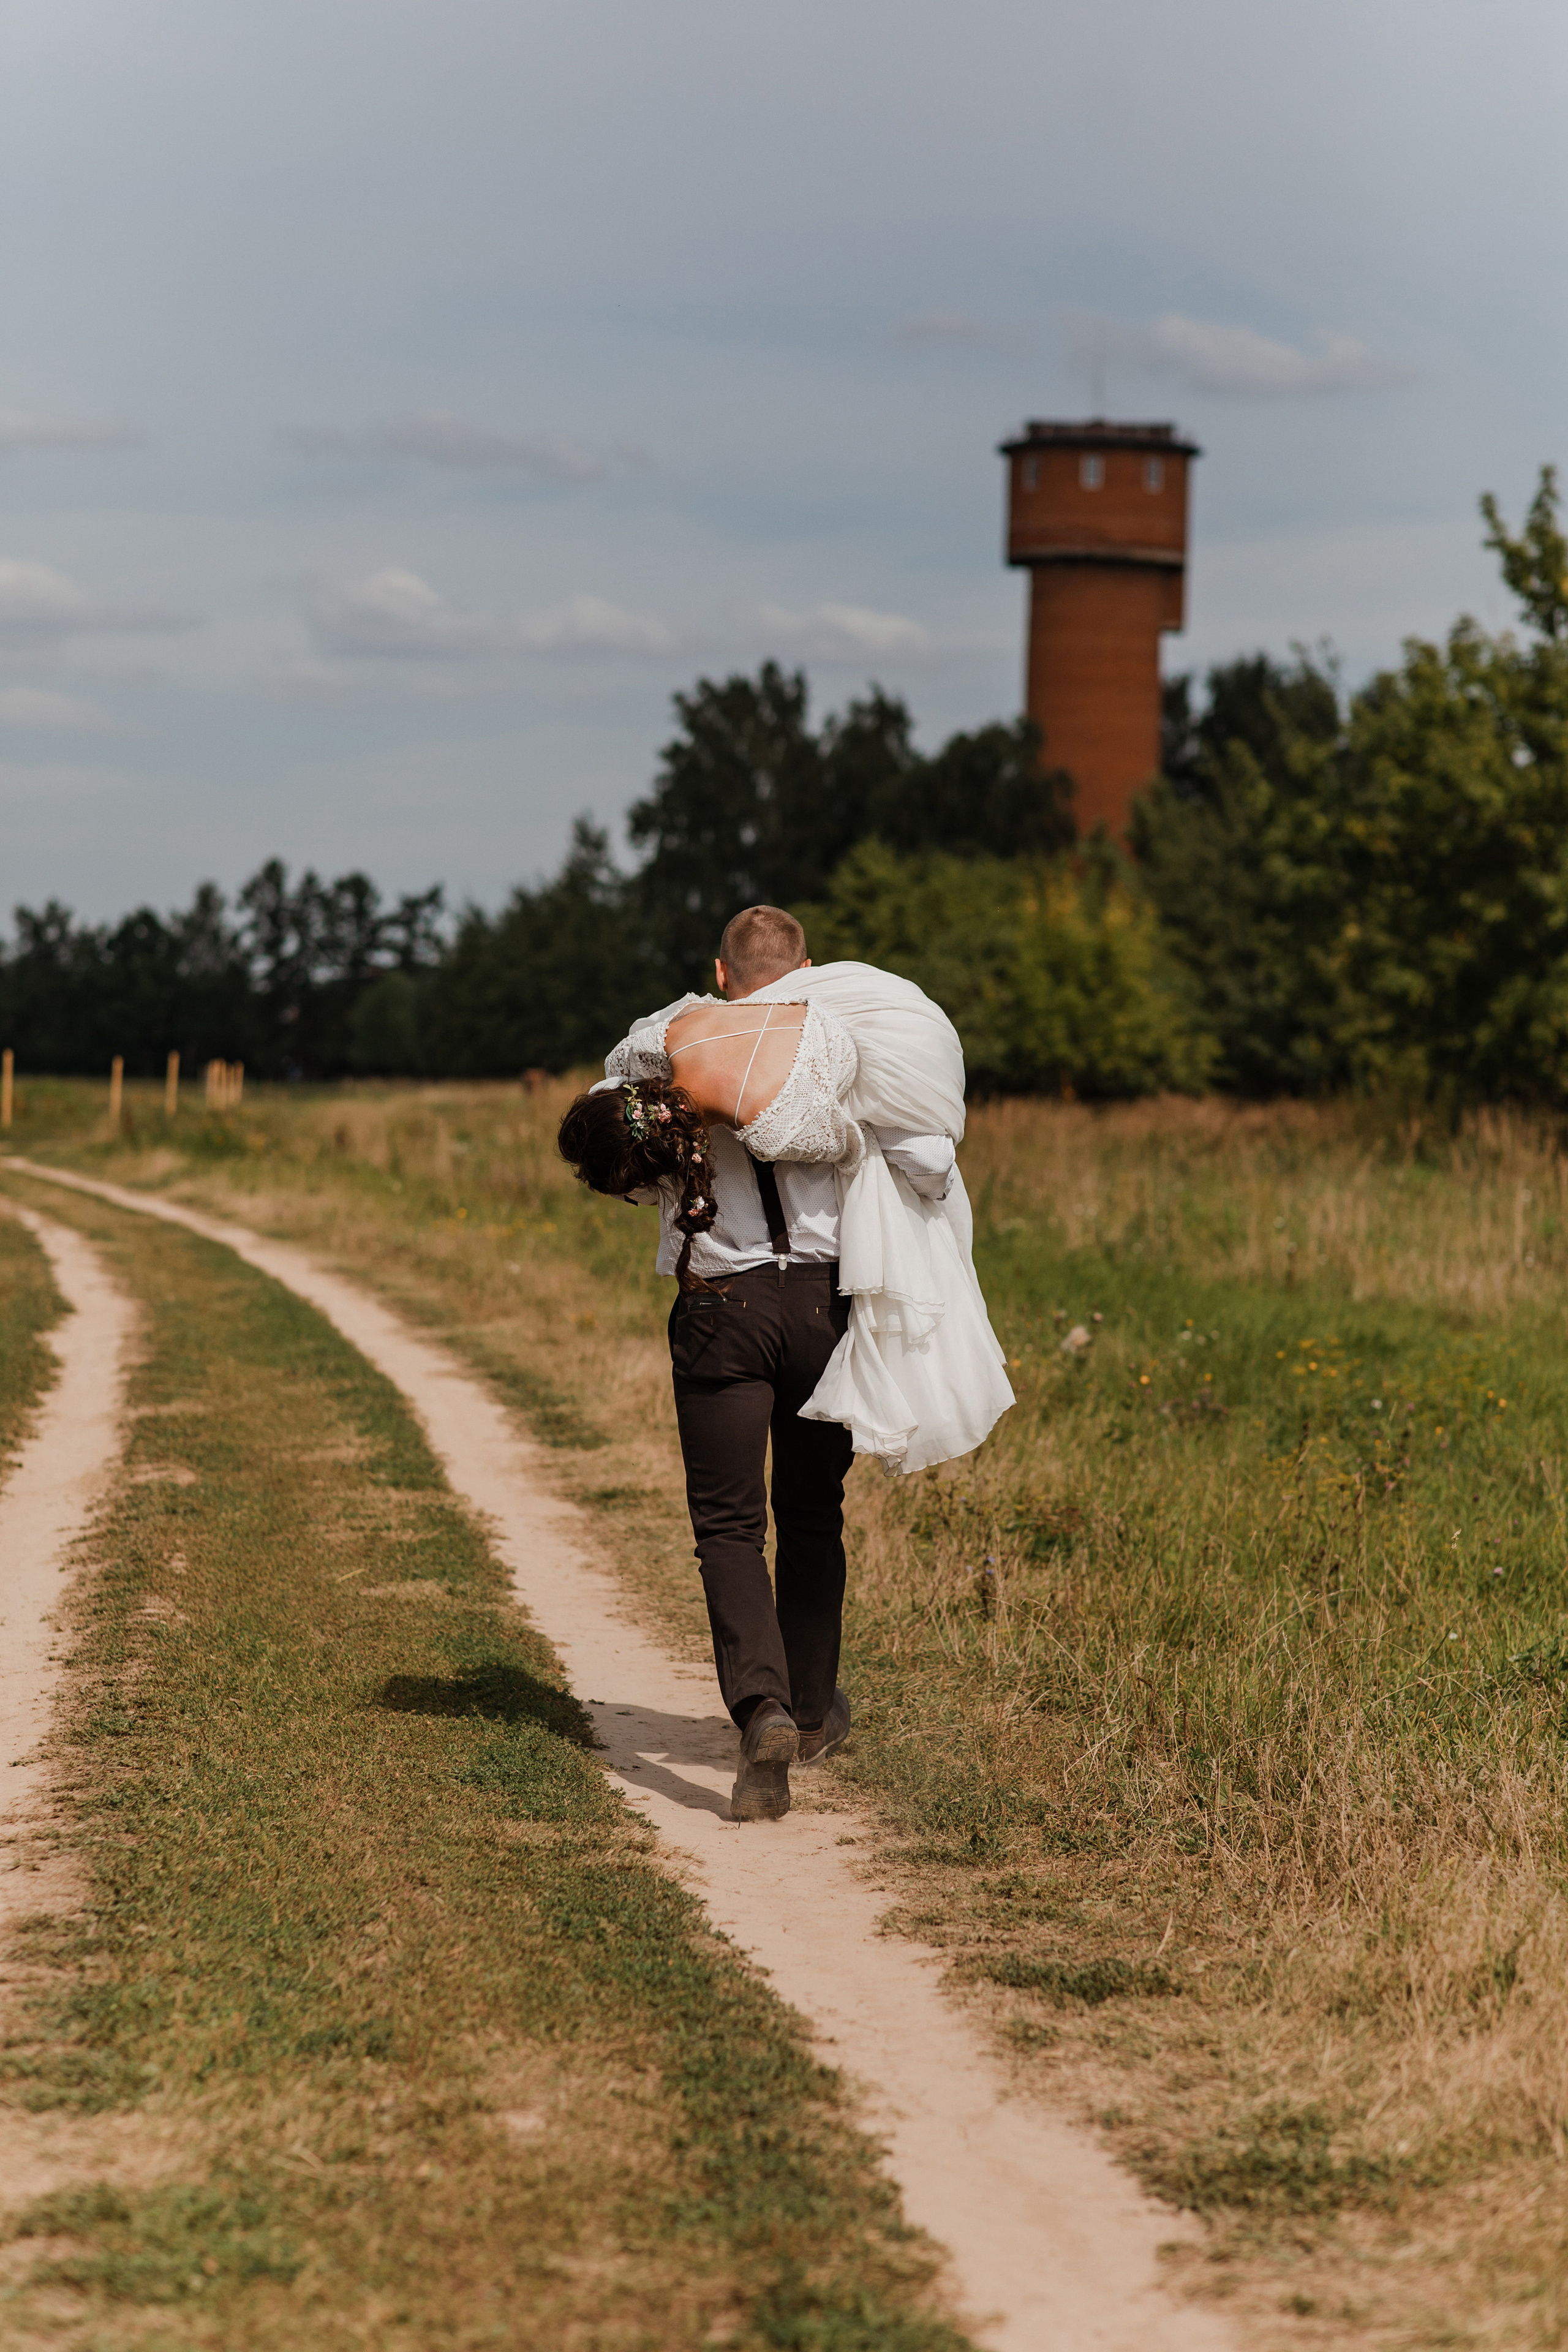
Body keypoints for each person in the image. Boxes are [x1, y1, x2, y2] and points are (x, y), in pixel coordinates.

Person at [557, 905, 1012, 1822]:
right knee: (813, 1513)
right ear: (809, 966)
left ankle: (758, 1706)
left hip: (719, 1306)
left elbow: (617, 1148)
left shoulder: (671, 1045)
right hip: (819, 1305)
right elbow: (928, 1164)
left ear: (721, 974)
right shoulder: (843, 1044)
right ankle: (809, 1711)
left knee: (728, 1527)